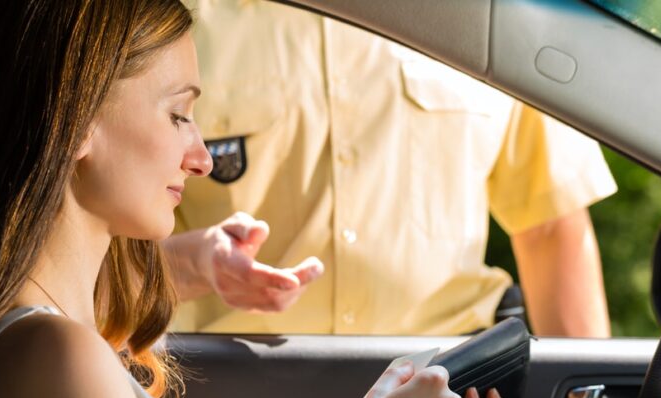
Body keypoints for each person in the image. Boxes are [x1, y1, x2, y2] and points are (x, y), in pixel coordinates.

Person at [0, 1, 519, 398]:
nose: (200, 157)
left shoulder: (57, 346)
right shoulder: (52, 360)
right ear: (76, 117)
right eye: (178, 115)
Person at [164, 0, 617, 338]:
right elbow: (100, 248)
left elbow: (552, 229)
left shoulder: (497, 13)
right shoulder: (164, 17)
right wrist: (198, 265)